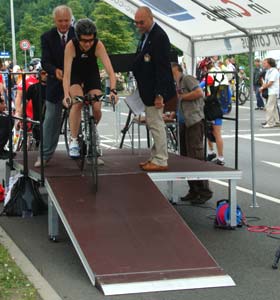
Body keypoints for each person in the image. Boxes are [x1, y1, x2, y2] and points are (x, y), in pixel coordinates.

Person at [63, 18, 117, 160]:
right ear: (77, 38)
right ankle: (74, 140)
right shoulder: (71, 46)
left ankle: (92, 130)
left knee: (97, 106)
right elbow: (66, 75)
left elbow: (110, 71)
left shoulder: (98, 45)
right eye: (84, 40)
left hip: (91, 74)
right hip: (75, 75)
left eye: (90, 40)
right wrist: (65, 95)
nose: (88, 44)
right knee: (78, 102)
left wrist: (113, 91)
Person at [132, 6, 176, 171]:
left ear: (151, 18)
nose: (139, 26)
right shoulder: (147, 36)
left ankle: (161, 159)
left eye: (141, 22)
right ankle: (155, 156)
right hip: (147, 88)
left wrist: (159, 93)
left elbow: (162, 68)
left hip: (155, 90)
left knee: (156, 123)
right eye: (136, 23)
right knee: (152, 122)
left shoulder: (159, 37)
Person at [35, 5, 75, 167]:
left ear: (71, 19)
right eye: (60, 21)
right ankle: (44, 155)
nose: (64, 24)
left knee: (85, 113)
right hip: (55, 84)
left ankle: (91, 151)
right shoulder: (47, 37)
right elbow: (45, 61)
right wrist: (55, 71)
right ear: (55, 20)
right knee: (51, 119)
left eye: (66, 20)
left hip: (75, 82)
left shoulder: (78, 34)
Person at [171, 62, 212, 204]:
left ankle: (204, 191)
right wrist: (174, 114)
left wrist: (182, 97)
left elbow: (199, 93)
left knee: (195, 156)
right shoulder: (177, 83)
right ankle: (193, 189)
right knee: (185, 157)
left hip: (194, 121)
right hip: (184, 122)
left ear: (176, 70)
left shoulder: (187, 79)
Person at [26, 68, 48, 146]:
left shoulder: (52, 89)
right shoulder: (33, 88)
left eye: (47, 73)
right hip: (37, 120)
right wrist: (22, 115)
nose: (46, 75)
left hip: (49, 119)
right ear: (39, 75)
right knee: (38, 141)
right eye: (43, 73)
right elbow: (24, 102)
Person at [259, 58, 280, 128]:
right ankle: (277, 121)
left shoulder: (274, 71)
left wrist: (262, 88)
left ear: (269, 64)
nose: (263, 64)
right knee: (273, 107)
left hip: (273, 91)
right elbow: (266, 82)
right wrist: (262, 87)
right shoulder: (268, 71)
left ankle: (270, 123)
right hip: (271, 91)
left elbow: (270, 83)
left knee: (269, 107)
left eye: (265, 63)